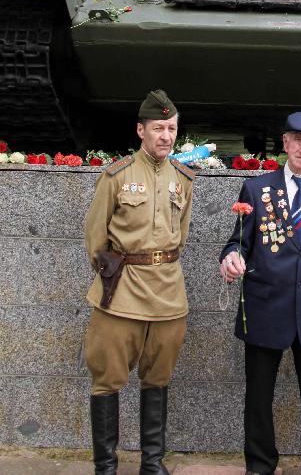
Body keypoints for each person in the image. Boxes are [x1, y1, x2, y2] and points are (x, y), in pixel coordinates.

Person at [220, 111, 301, 475]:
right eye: (298, 141)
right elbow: (238, 243)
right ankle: (261, 466)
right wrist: (231, 257)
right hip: (266, 307)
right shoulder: (256, 188)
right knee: (259, 397)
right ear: (286, 144)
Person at [84, 89, 195, 475]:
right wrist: (113, 277)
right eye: (158, 128)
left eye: (171, 128)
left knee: (158, 379)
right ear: (141, 131)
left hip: (168, 295)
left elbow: (179, 235)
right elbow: (96, 238)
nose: (166, 136)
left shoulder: (183, 178)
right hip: (122, 294)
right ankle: (106, 467)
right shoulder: (116, 176)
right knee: (107, 379)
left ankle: (152, 463)